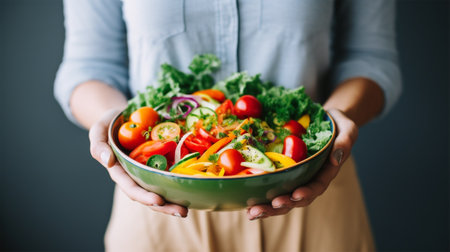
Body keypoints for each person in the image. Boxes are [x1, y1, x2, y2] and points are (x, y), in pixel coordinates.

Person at [54, 0, 401, 251]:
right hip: (159, 200)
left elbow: (370, 58)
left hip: (310, 190)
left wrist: (340, 114)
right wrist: (115, 125)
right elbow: (88, 67)